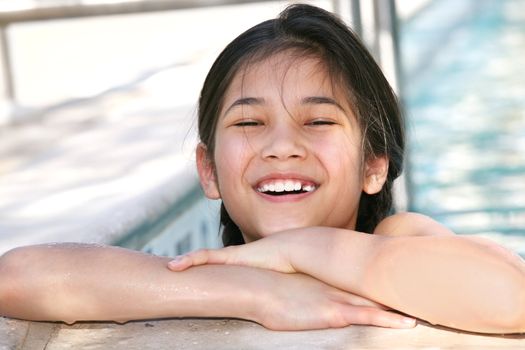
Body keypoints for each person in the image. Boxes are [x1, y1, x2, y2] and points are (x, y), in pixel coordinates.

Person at [0, 4, 524, 334]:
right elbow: (19, 275)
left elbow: (512, 298)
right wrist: (257, 291)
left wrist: (304, 248)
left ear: (373, 165)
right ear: (208, 170)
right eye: (250, 122)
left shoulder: (396, 238)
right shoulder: (218, 274)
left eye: (318, 119)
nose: (282, 146)